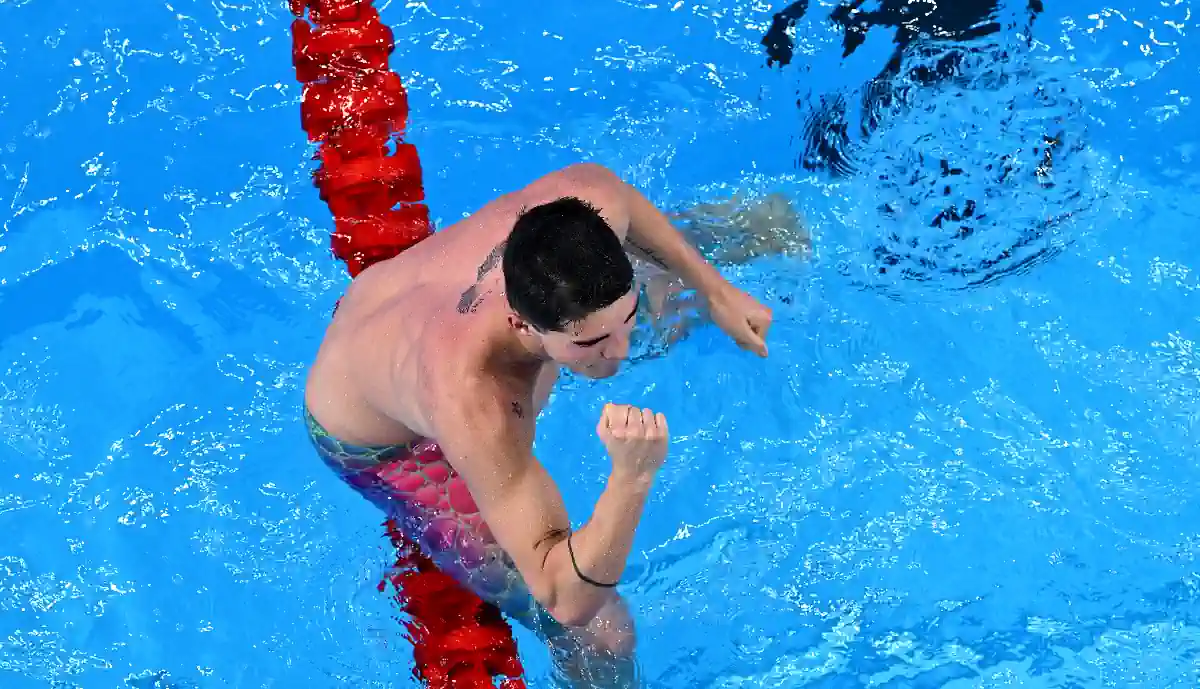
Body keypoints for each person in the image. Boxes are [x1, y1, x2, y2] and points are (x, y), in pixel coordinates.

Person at [303, 162, 804, 686]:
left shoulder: (584, 197)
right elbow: (566, 597)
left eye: (626, 322)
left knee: (713, 258)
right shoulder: (477, 402)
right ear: (520, 323)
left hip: (412, 308)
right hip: (389, 444)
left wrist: (716, 292)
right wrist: (631, 478)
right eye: (591, 344)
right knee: (602, 635)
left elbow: (623, 205)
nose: (621, 351)